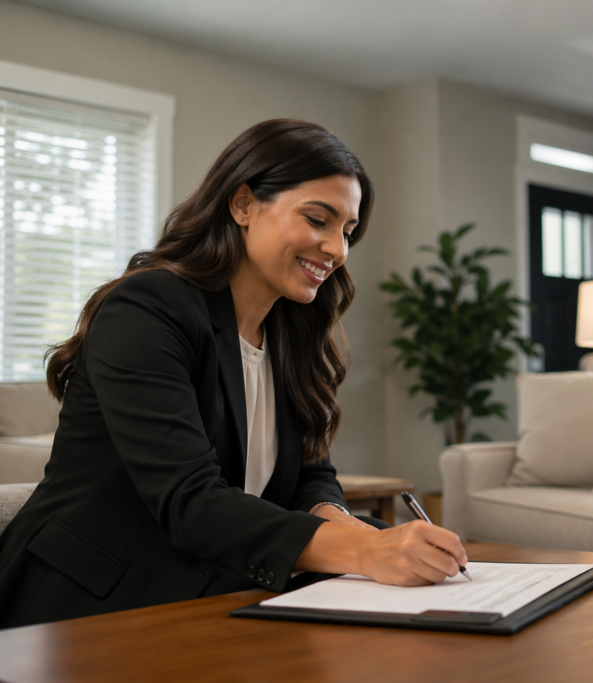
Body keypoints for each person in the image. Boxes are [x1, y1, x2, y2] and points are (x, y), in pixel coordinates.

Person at [0, 119, 468, 629]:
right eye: (318, 219)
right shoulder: (145, 308)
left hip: (209, 583)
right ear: (243, 204)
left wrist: (354, 533)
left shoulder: (290, 332)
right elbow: (190, 501)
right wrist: (363, 553)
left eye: (348, 231)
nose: (338, 249)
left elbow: (311, 479)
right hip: (87, 605)